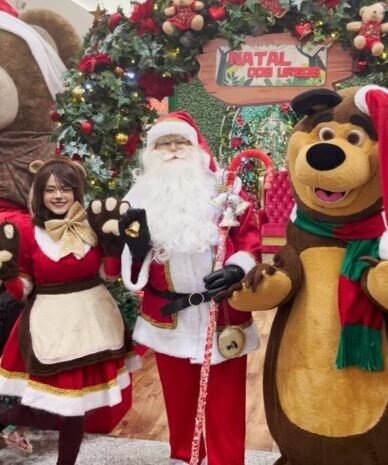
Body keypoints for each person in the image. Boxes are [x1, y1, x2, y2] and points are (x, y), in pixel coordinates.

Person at [120, 111, 262, 465]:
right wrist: (134, 251)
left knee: (225, 405)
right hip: (168, 318)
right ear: (151, 152)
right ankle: (185, 457)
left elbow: (250, 237)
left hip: (222, 313)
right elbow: (126, 262)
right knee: (180, 403)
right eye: (163, 143)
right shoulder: (137, 198)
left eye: (179, 142)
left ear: (195, 146)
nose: (171, 150)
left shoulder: (225, 190)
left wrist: (236, 268)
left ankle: (227, 461)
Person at [0, 157, 135, 465]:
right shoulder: (29, 234)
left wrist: (113, 248)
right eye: (50, 190)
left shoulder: (95, 226)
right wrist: (7, 274)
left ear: (77, 192)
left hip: (92, 324)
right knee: (53, 404)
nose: (58, 196)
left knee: (76, 407)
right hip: (50, 326)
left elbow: (109, 275)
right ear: (40, 195)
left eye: (65, 189)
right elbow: (23, 290)